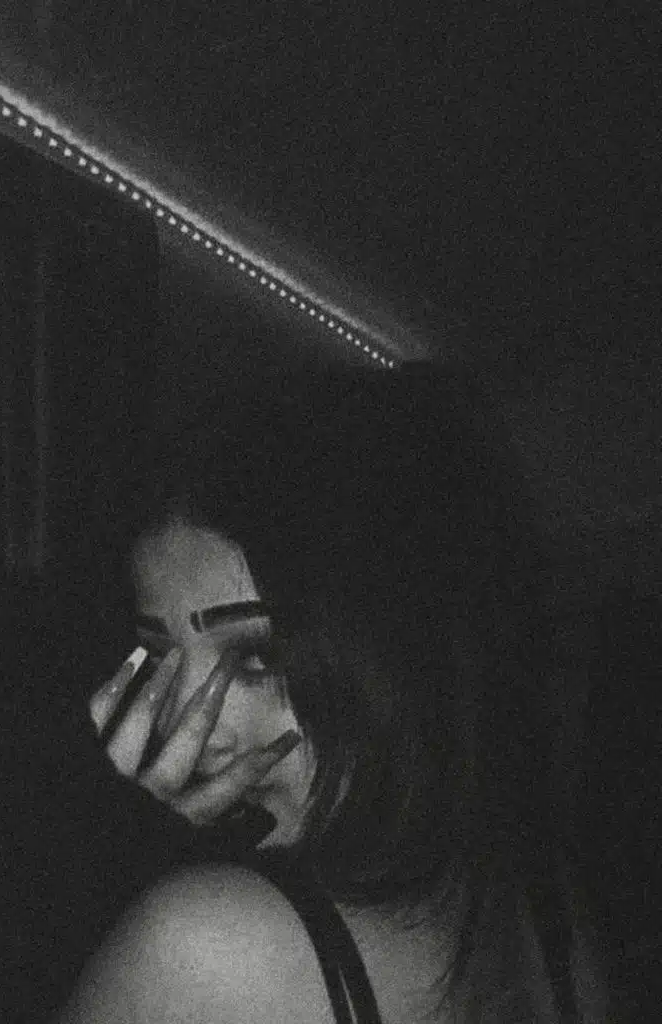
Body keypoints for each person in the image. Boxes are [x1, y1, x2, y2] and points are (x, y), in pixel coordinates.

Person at [55, 361, 614, 1023]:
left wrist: (102, 869)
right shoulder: (544, 908)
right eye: (159, 656)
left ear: (406, 648)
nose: (189, 725)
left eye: (258, 655)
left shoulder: (205, 946)